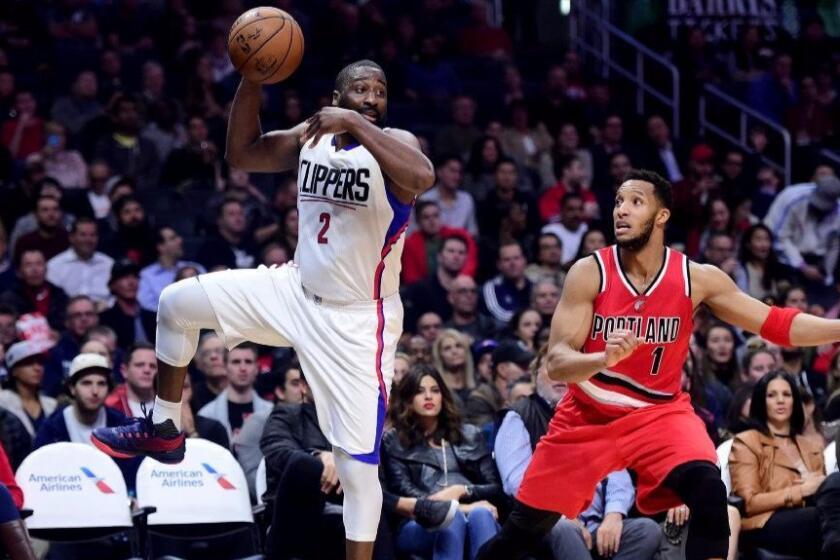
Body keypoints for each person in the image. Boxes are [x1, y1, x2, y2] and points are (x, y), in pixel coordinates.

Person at [91, 59, 435, 560]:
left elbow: (422, 176)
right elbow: (242, 154)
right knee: (175, 303)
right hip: (294, 288)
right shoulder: (312, 136)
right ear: (335, 98)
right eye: (359, 90)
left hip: (357, 319)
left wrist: (355, 124)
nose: (372, 98)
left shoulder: (396, 142)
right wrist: (251, 80)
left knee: (358, 469)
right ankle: (165, 427)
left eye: (379, 91)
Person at [477, 168, 840, 560]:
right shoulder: (589, 272)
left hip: (659, 413)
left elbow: (778, 325)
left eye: (635, 202)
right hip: (587, 415)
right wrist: (602, 357)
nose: (621, 211)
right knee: (522, 533)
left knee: (709, 491)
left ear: (662, 215)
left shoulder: (695, 278)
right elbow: (557, 363)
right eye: (618, 202)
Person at [382, 366, 502, 560]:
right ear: (408, 400)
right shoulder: (394, 441)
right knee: (452, 520)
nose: (429, 397)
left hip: (474, 515)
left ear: (443, 397)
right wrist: (457, 508)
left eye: (435, 391)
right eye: (420, 392)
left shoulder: (470, 435)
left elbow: (497, 489)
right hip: (418, 523)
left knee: (481, 515)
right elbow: (404, 493)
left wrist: (463, 490)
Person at [729, 371, 832, 558]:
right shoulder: (747, 442)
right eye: (772, 395)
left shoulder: (812, 447)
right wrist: (801, 491)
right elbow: (749, 502)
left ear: (795, 402)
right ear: (762, 402)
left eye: (787, 394)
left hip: (807, 518)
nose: (780, 400)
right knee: (821, 519)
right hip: (763, 523)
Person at [0, 340, 57, 438]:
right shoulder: (2, 402)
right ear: (14, 370)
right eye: (28, 363)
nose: (37, 368)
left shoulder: (52, 404)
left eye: (40, 362)